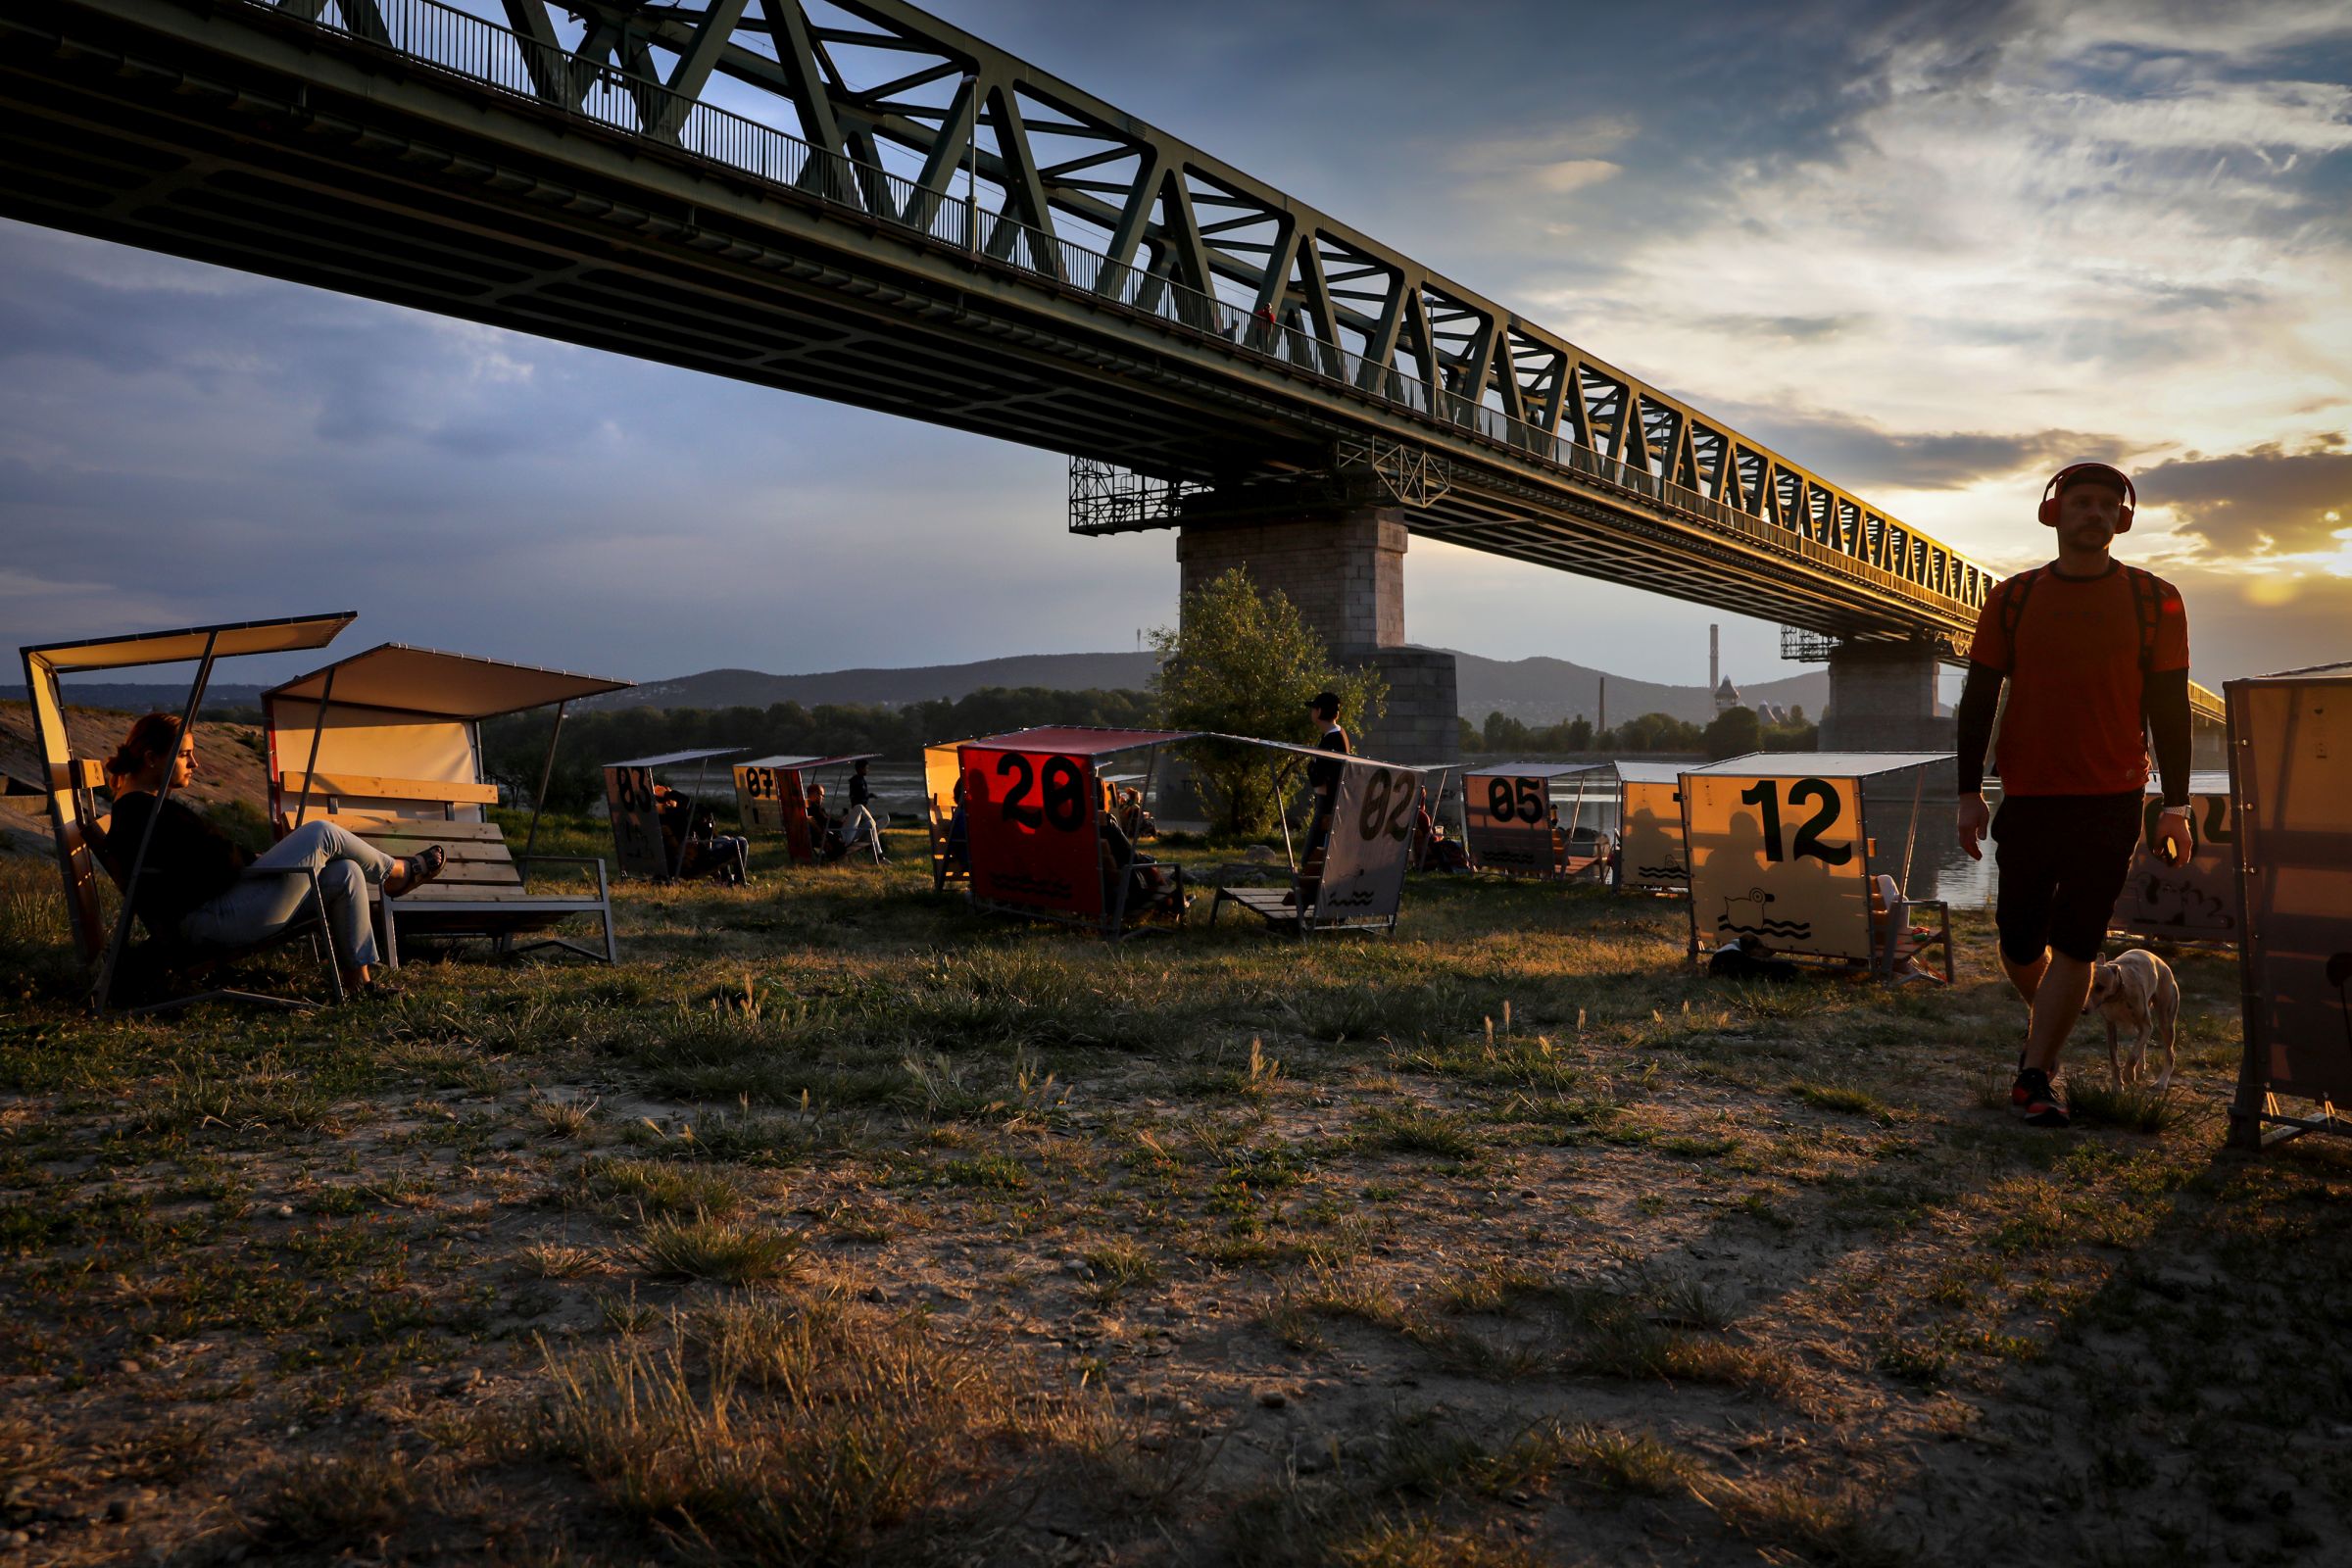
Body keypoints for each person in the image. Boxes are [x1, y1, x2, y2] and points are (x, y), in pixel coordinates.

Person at [1955, 462, 2192, 1128]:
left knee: (2079, 941)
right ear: (2053, 513)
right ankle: (2049, 1029)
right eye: (2081, 502)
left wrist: (2175, 806)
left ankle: (2035, 1074)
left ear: (2123, 520)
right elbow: (1979, 699)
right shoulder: (2012, 598)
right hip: (2029, 793)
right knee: (2018, 939)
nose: (2095, 513)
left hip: (2112, 796)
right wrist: (1968, 792)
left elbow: (2171, 708)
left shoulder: (2156, 599)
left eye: (2107, 506)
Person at [102, 712, 444, 991]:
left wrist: (255, 860)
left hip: (222, 906)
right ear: (151, 759)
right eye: (183, 754)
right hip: (210, 921)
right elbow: (216, 863)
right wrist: (257, 861)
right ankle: (396, 873)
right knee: (322, 833)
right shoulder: (141, 813)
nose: (195, 763)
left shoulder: (145, 809)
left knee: (345, 872)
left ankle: (359, 982)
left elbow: (207, 858)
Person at [844, 759, 887, 864]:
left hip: (862, 810)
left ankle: (879, 855)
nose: (868, 770)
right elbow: (856, 798)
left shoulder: (861, 780)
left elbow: (863, 794)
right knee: (872, 823)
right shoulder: (856, 781)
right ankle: (878, 854)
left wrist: (869, 795)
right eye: (866, 768)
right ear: (860, 769)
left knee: (875, 823)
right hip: (859, 810)